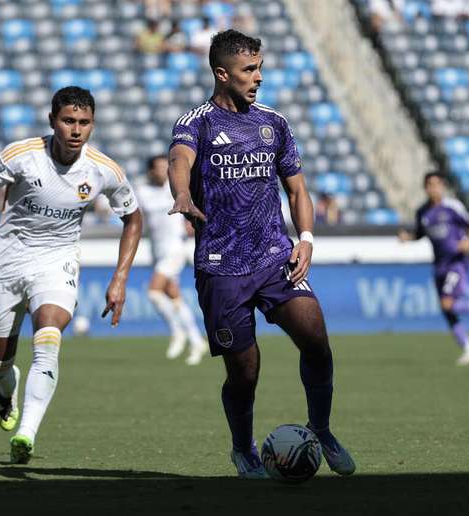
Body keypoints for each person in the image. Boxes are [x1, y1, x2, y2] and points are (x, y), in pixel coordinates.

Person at [167, 29, 355, 478]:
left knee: (316, 338)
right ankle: (242, 447)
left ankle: (322, 429)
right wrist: (181, 194)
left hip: (275, 258)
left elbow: (297, 188)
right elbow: (180, 160)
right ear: (221, 73)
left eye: (260, 68)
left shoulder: (273, 122)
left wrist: (306, 238)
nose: (259, 77)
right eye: (249, 70)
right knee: (245, 373)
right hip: (221, 268)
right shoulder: (197, 122)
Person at [0, 86, 143, 464]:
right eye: (69, 121)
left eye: (84, 123)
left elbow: (134, 219)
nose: (76, 130)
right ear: (52, 122)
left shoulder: (103, 170)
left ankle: (26, 433)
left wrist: (119, 278)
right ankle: (7, 388)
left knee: (48, 336)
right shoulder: (21, 156)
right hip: (8, 259)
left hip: (57, 262)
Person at [399, 172, 469, 366]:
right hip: (439, 265)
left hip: (456, 263)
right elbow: (420, 234)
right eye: (429, 185)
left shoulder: (452, 207)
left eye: (436, 184)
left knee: (447, 304)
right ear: (425, 188)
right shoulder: (423, 212)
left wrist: (468, 241)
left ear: (442, 186)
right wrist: (409, 237)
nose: (433, 188)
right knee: (447, 312)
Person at [137, 155, 208, 365]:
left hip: (175, 248)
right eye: (157, 167)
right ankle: (197, 340)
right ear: (150, 171)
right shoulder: (142, 191)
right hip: (157, 250)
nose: (162, 171)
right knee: (174, 296)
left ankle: (177, 332)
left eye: (164, 167)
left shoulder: (176, 187)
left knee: (154, 292)